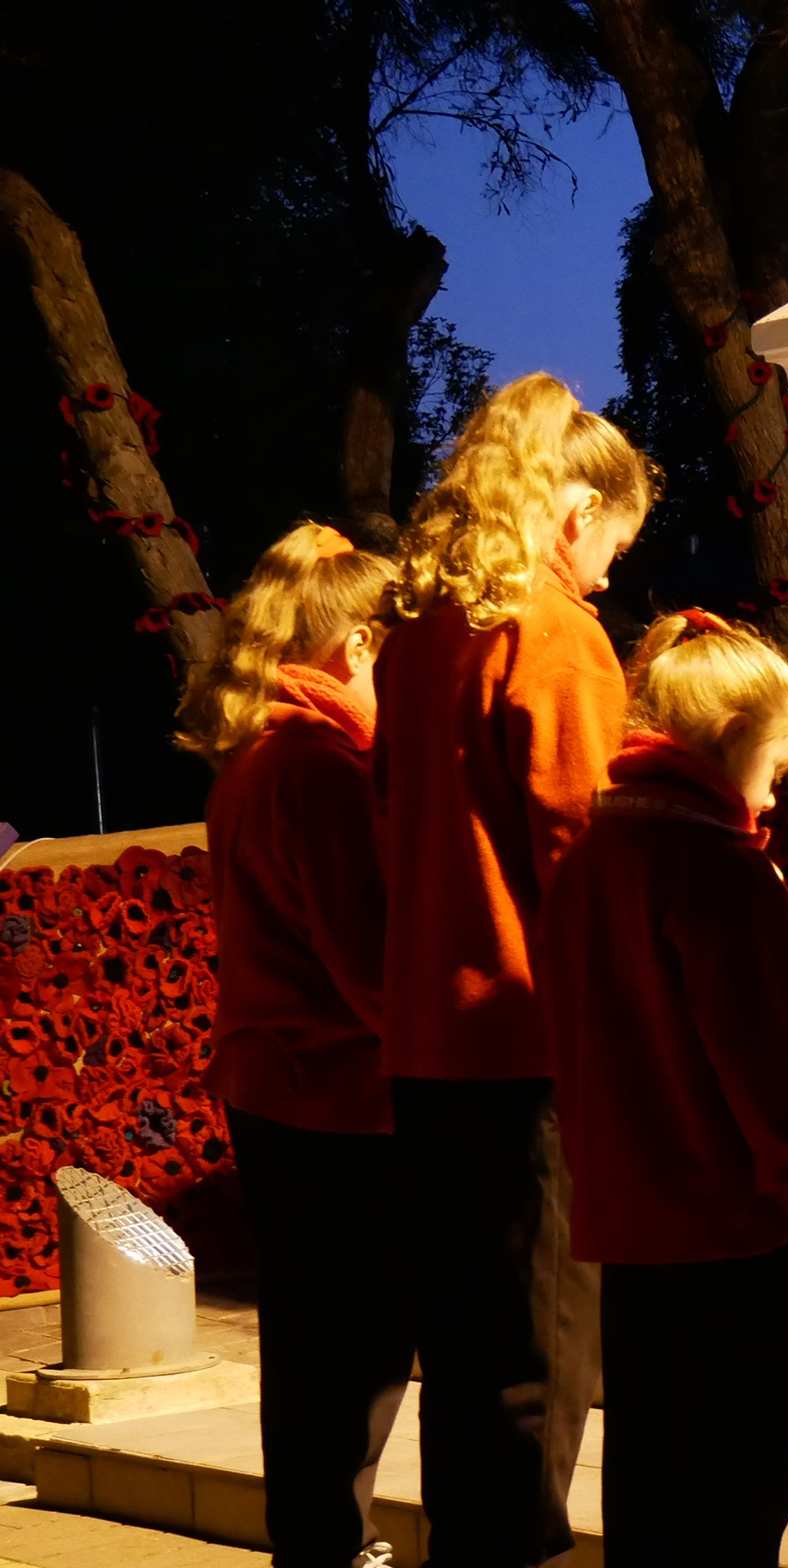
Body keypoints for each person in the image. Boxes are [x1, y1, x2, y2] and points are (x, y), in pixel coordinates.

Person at [372, 372, 657, 1566]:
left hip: (429, 1044)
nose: (607, 576)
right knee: (542, 1363)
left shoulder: (423, 636)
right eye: (611, 545)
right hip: (533, 1046)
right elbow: (586, 862)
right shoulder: (553, 637)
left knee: (470, 1360)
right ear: (573, 510)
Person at [541, 608, 788, 1568]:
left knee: (653, 1470)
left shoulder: (590, 860)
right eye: (774, 767)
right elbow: (758, 1059)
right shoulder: (721, 873)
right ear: (730, 747)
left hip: (628, 1226)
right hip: (725, 1223)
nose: (774, 794)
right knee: (741, 1476)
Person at [176, 521, 411, 1568]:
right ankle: (332, 1540)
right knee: (350, 1344)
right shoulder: (319, 766)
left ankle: (320, 1537)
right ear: (356, 645)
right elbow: (368, 960)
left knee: (316, 1339)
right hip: (338, 1092)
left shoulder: (259, 754)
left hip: (282, 1084)